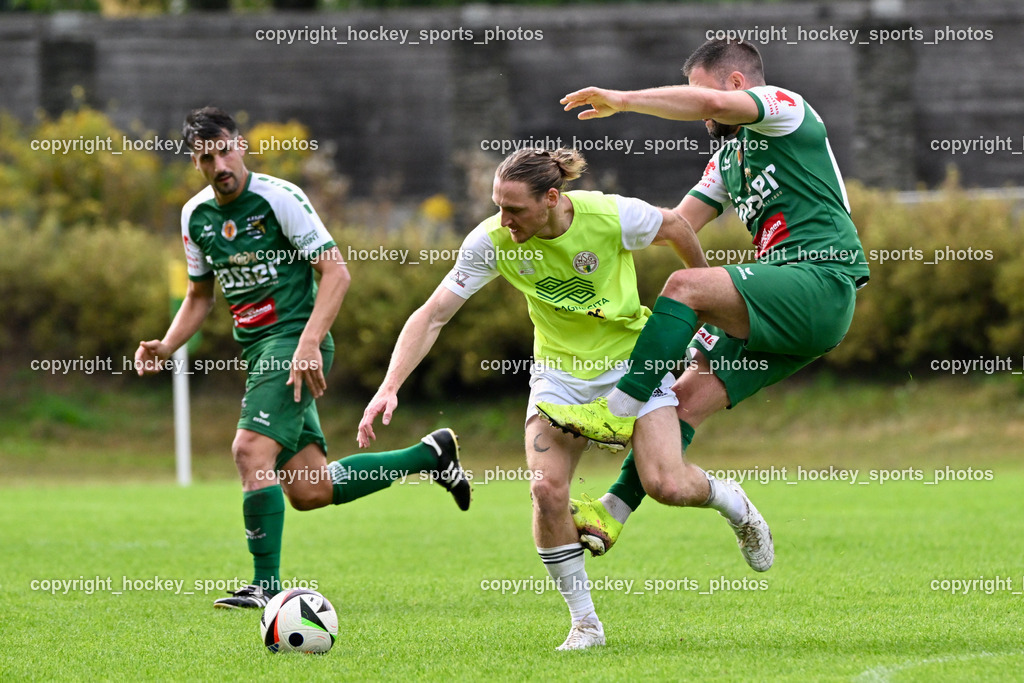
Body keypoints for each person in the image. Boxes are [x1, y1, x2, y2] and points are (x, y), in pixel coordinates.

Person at [357, 146, 769, 651]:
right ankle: (585, 625)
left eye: (515, 209)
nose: (504, 220)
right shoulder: (491, 241)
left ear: (551, 198)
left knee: (666, 484)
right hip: (559, 377)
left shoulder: (609, 215)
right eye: (498, 207)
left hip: (632, 366)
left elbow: (678, 226)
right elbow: (433, 314)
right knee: (546, 491)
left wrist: (707, 296)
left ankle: (735, 505)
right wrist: (390, 385)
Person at [542, 38, 870, 558]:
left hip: (821, 281)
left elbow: (711, 104)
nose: (700, 111)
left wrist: (623, 101)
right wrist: (575, 223)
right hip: (780, 306)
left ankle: (618, 410)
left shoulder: (786, 109)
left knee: (683, 288)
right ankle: (616, 509)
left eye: (698, 91)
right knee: (675, 426)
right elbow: (674, 225)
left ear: (737, 82)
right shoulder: (726, 161)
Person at [135, 106, 470, 609]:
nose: (219, 165)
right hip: (259, 351)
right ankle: (431, 455)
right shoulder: (195, 216)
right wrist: (167, 344)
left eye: (225, 151)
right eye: (206, 157)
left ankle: (265, 588)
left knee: (249, 450)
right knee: (311, 490)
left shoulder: (280, 198)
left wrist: (309, 343)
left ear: (240, 146)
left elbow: (336, 272)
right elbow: (199, 296)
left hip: (295, 340)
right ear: (194, 162)